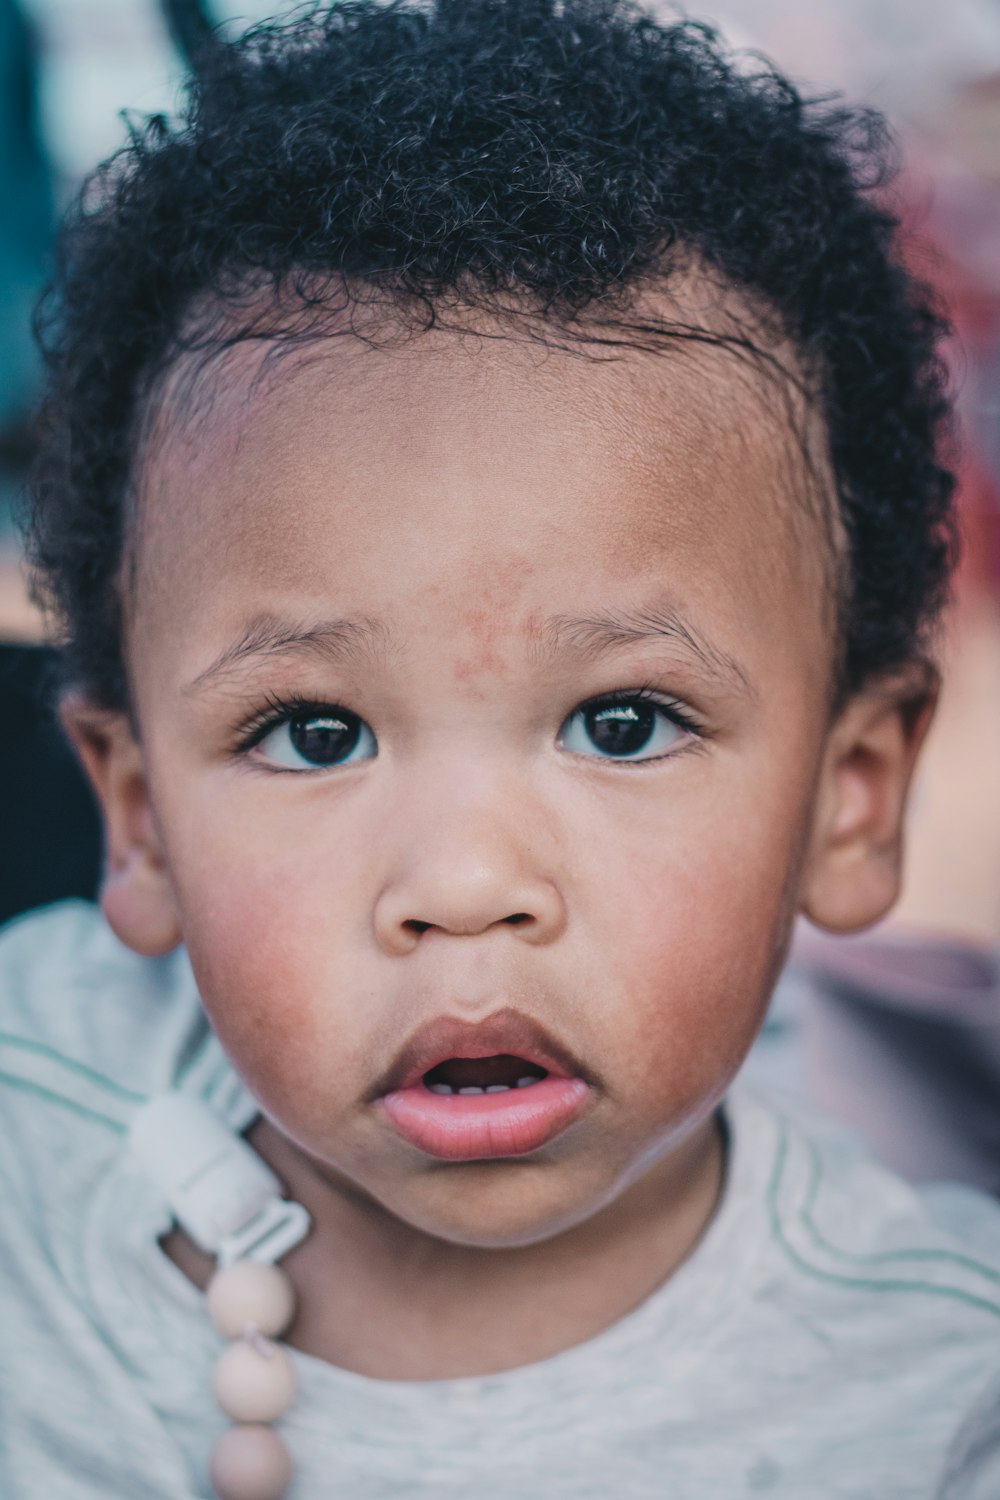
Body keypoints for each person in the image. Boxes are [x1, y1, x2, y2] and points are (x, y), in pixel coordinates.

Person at [2, 2, 998, 1496]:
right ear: (139, 818)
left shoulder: (934, 1400)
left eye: (621, 722)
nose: (465, 886)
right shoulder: (31, 1129)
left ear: (848, 801)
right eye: (314, 733)